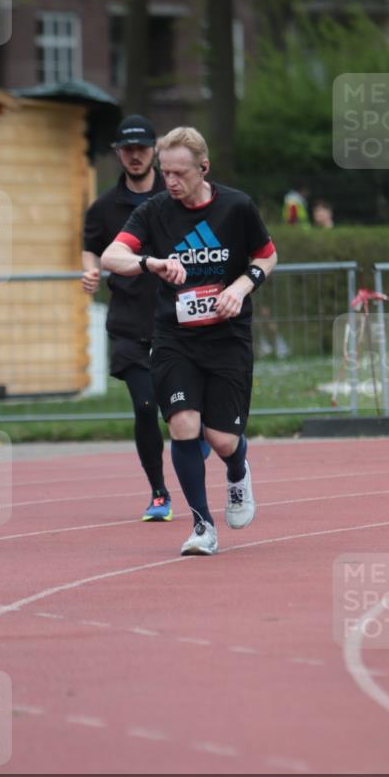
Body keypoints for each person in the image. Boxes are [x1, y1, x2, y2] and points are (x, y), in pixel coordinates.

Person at [101, 126, 277, 556]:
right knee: (182, 424)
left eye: (180, 173)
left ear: (204, 168)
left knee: (221, 441)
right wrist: (150, 262)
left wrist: (239, 288)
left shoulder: (236, 207)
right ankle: (202, 526)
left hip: (227, 339)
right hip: (175, 337)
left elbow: (267, 255)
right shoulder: (156, 211)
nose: (171, 182)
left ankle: (237, 471)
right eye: (166, 173)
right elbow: (111, 256)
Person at [81, 114, 174, 521]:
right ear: (119, 154)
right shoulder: (103, 207)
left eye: (142, 148)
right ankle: (158, 493)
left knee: (186, 409)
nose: (135, 156)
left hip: (177, 318)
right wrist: (89, 270)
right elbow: (91, 246)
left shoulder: (177, 197)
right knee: (144, 406)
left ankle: (205, 434)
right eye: (127, 150)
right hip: (130, 322)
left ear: (155, 151)